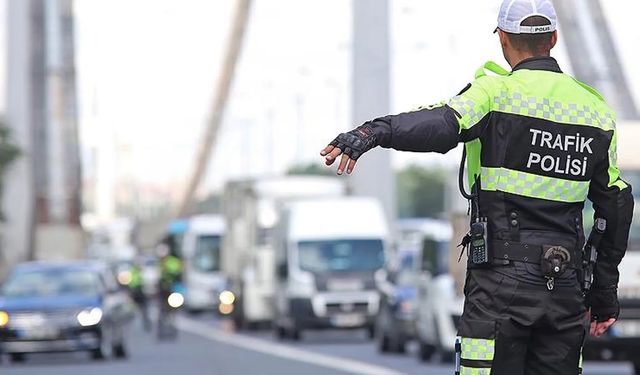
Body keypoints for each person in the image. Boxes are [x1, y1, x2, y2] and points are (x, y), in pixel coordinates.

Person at [320, 1, 633, 374]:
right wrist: (603, 293)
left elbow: (440, 124)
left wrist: (374, 132)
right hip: (564, 287)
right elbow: (616, 205)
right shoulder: (595, 111)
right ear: (553, 38)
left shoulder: (494, 92)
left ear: (503, 39)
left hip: (500, 287)